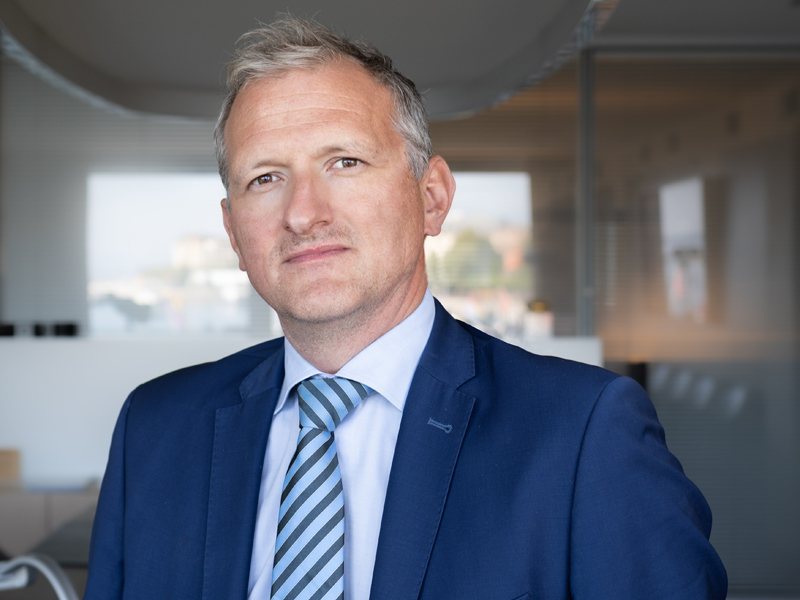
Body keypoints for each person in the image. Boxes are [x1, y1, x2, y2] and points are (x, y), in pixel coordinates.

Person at [84, 16, 727, 600]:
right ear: (232, 230)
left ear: (432, 197)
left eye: (345, 161)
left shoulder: (584, 433)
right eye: (265, 178)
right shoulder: (155, 428)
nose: (303, 213)